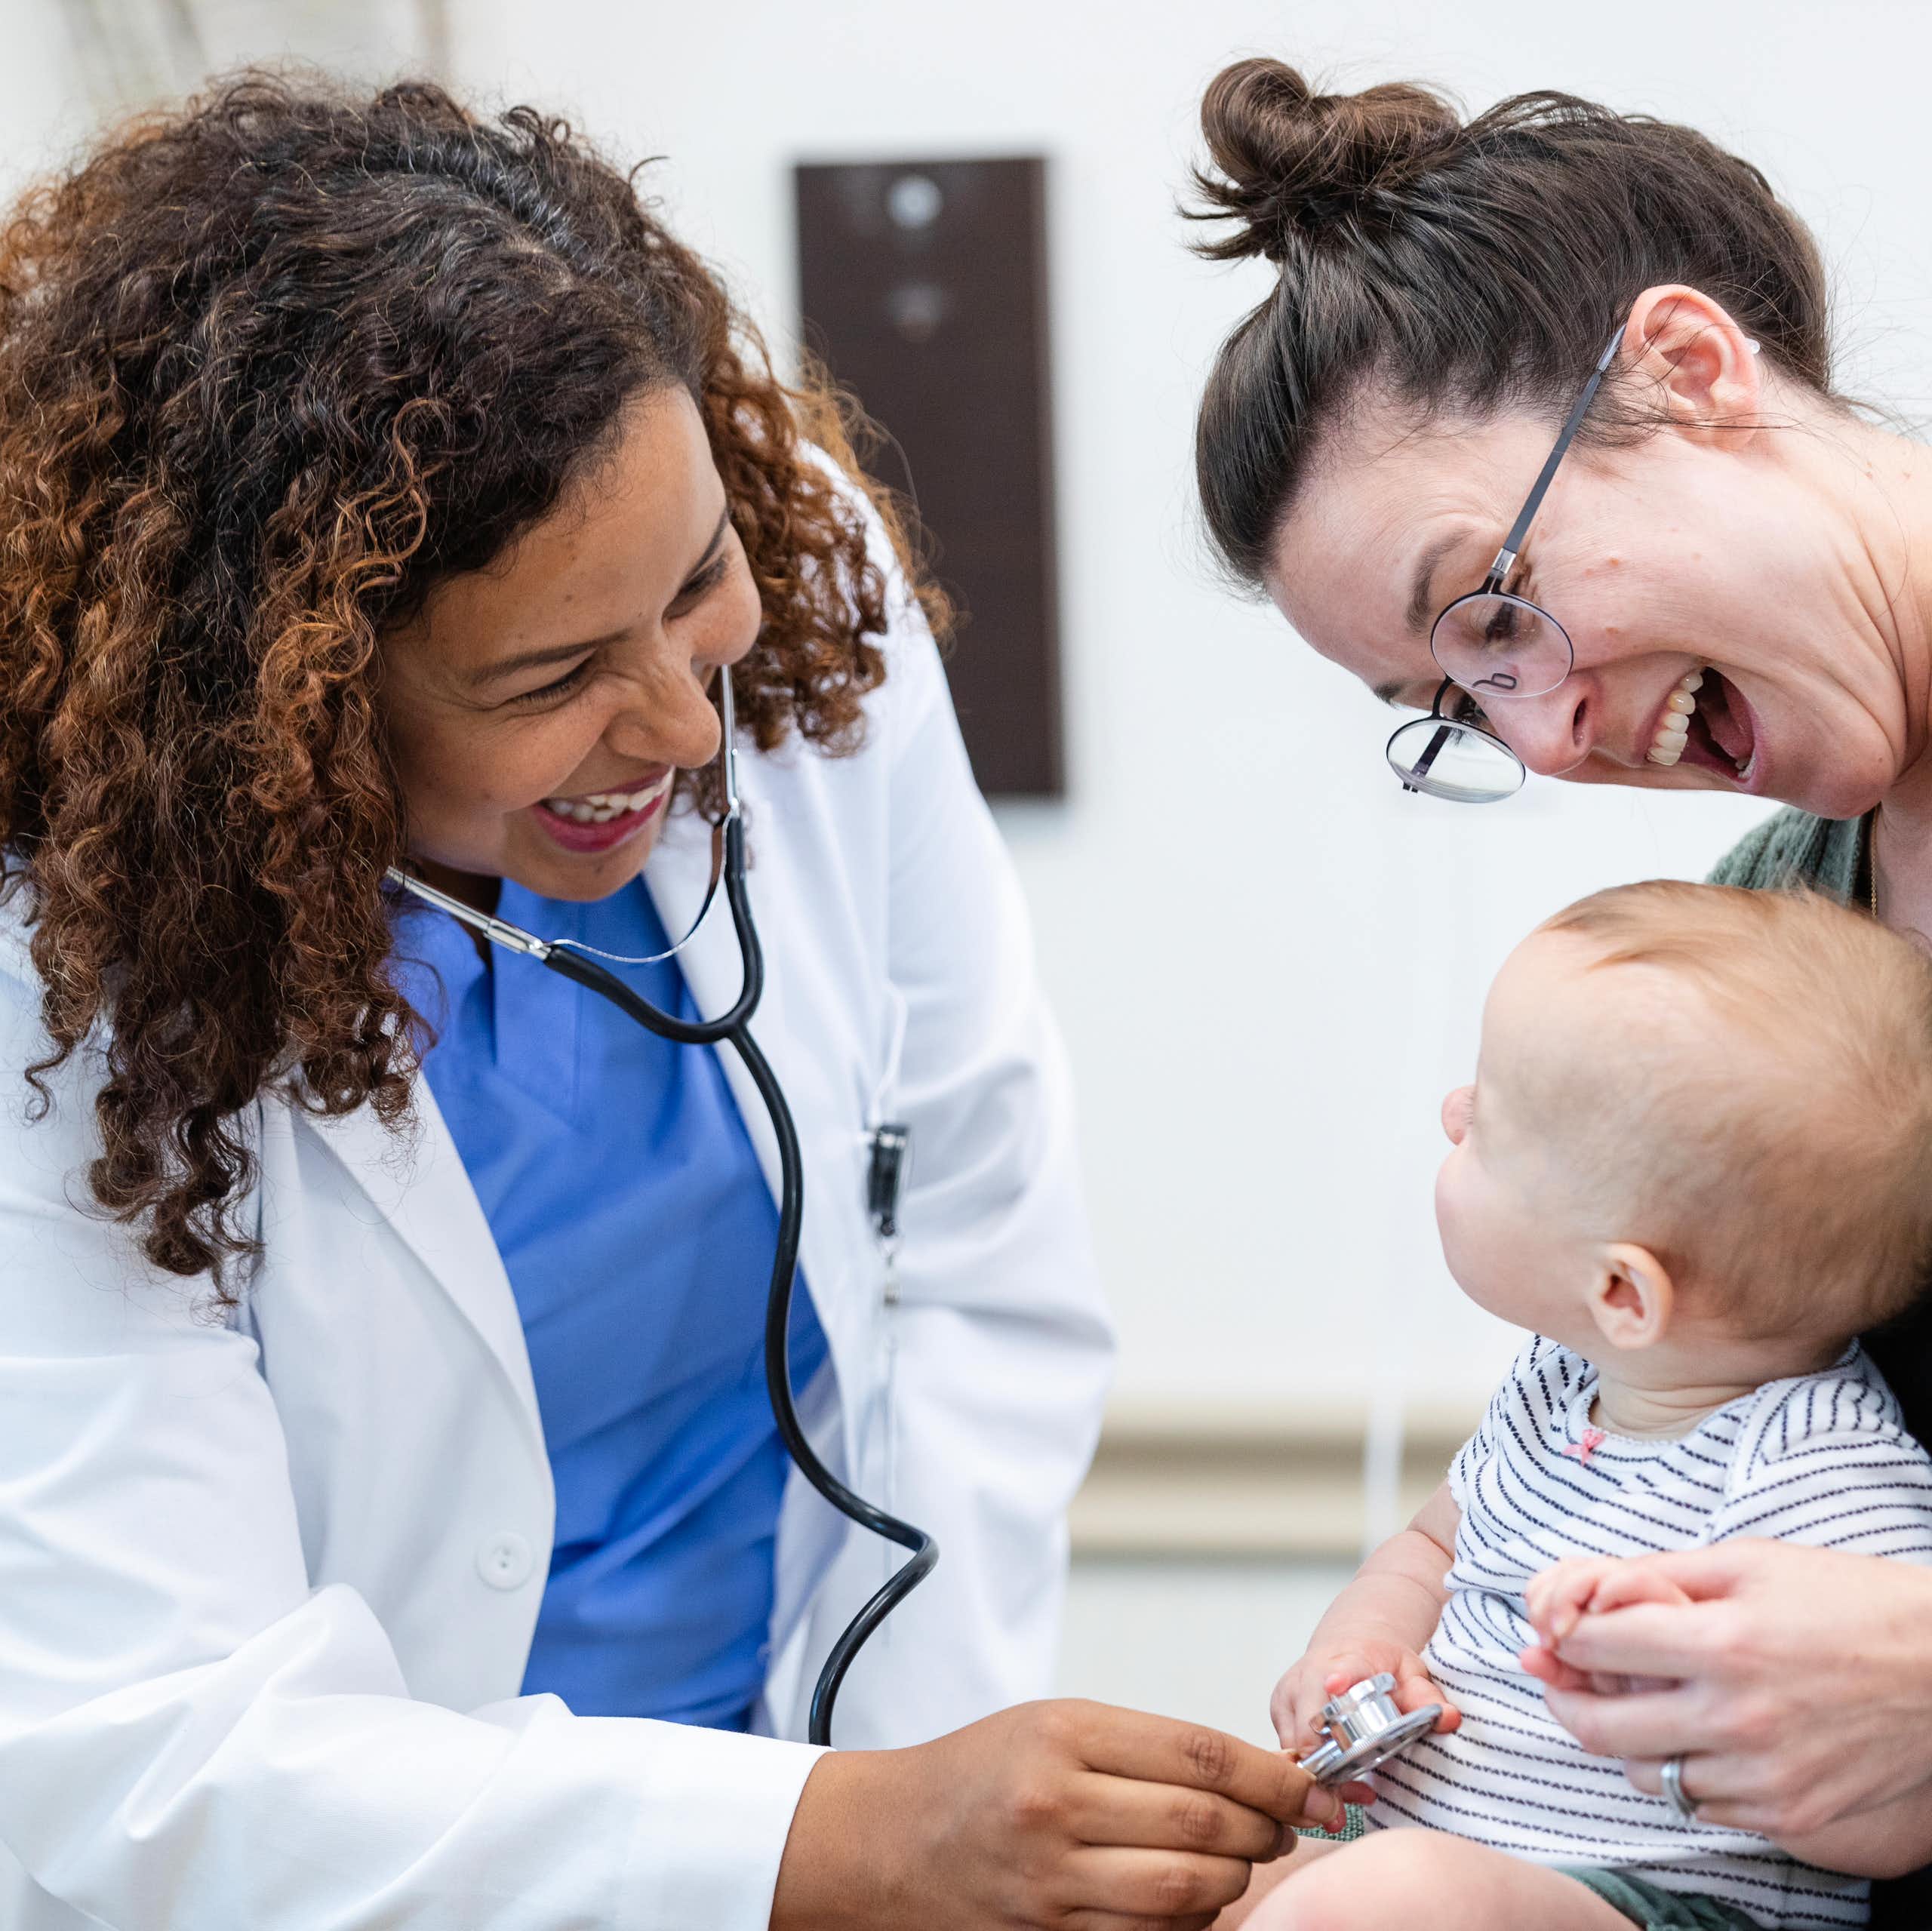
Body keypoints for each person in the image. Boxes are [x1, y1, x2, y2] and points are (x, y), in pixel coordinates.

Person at [0, 75, 1337, 1931]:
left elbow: (967, 1222)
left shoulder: (790, 610)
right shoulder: (54, 993)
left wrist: (920, 1801)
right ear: (284, 704)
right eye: (551, 674)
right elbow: (152, 1760)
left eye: (689, 580)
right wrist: (832, 1847)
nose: (689, 726)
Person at [1188, 54, 1932, 1923]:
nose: (1547, 734)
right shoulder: (1784, 934)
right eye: (1459, 707)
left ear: (1685, 369)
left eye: (1494, 611)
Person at [1231, 881, 1932, 1931]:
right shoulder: (1557, 1383)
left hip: (1661, 1904)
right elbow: (1430, 1551)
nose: (1452, 1115)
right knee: (1187, 1868)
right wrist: (1362, 1647)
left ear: (1622, 1292)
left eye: (1493, 1122)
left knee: (1385, 1901)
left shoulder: (1817, 1469)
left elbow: (1897, 1792)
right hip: (1424, 1848)